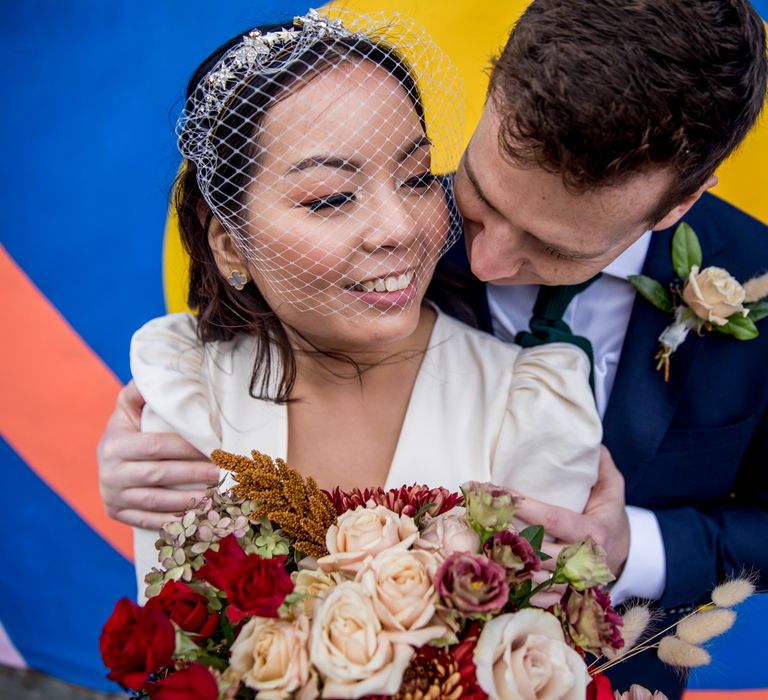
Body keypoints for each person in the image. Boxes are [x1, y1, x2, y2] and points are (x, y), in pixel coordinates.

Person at [99, 2, 768, 696]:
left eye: (554, 248)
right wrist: (144, 459)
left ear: (679, 203)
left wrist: (636, 548)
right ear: (493, 95)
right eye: (478, 197)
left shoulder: (755, 286)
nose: (483, 259)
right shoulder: (385, 237)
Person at [123, 11, 603, 606]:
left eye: (418, 177)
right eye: (331, 198)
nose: (399, 229)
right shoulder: (186, 391)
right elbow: (176, 636)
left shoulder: (528, 405)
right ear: (228, 242)